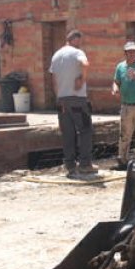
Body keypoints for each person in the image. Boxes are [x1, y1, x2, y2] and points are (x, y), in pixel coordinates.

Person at [49, 29, 94, 178]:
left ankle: (69, 165)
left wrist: (59, 98)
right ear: (75, 39)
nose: (80, 44)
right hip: (77, 99)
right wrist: (81, 79)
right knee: (85, 130)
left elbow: (54, 81)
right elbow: (85, 64)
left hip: (62, 100)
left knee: (68, 133)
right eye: (79, 41)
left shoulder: (56, 56)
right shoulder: (77, 53)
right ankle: (85, 165)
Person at [111, 41, 135, 169]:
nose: (132, 54)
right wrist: (115, 88)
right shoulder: (120, 67)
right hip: (126, 106)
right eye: (130, 52)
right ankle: (122, 160)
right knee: (124, 134)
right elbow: (116, 81)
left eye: (134, 51)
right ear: (125, 53)